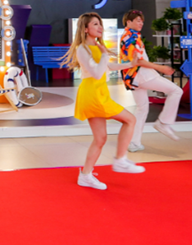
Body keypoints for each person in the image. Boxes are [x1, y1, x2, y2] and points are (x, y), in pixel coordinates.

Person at [61, 12, 145, 190]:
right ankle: (120, 160)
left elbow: (106, 67)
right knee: (130, 119)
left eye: (100, 24)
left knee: (100, 139)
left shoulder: (97, 47)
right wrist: (105, 54)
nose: (100, 27)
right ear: (85, 29)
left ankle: (85, 175)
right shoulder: (82, 49)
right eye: (95, 24)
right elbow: (97, 73)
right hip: (92, 94)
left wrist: (130, 64)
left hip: (98, 93)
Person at [119, 10, 182, 152]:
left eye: (142, 21)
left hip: (133, 77)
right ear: (129, 22)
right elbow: (138, 61)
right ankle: (164, 123)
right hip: (141, 74)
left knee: (142, 109)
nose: (141, 23)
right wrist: (160, 67)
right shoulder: (131, 37)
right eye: (138, 20)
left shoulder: (129, 35)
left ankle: (134, 143)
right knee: (176, 90)